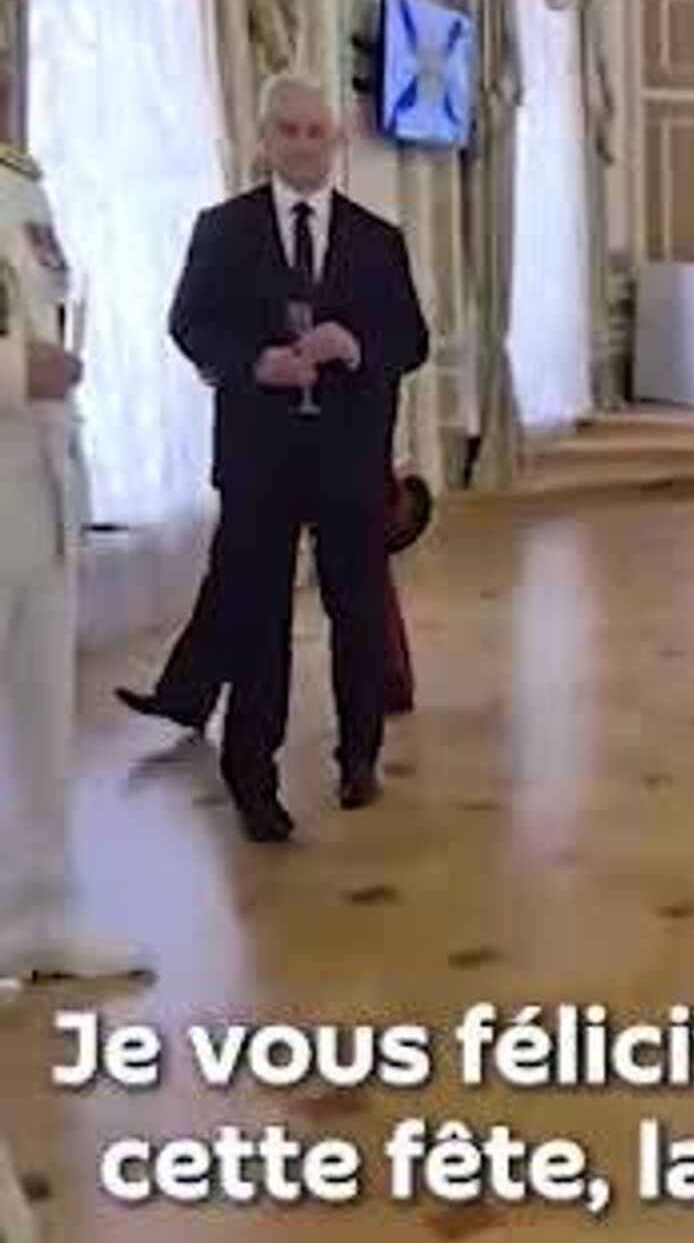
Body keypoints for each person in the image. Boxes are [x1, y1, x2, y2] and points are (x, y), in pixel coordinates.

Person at [166, 74, 428, 843]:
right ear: (265, 138)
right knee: (257, 618)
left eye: (317, 132)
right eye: (289, 130)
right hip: (259, 460)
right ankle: (253, 779)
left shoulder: (379, 240)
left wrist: (356, 345)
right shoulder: (222, 230)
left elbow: (411, 341)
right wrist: (254, 363)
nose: (304, 145)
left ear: (336, 141)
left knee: (357, 615)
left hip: (349, 460)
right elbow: (189, 324)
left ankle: (359, 758)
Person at [0, 141, 148, 982]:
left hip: (41, 491)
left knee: (41, 725)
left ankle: (40, 919)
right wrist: (16, 369)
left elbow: (42, 309)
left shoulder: (21, 183)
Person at [115, 465, 432, 731]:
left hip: (315, 461)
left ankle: (189, 697)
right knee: (233, 579)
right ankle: (187, 696)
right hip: (290, 457)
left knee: (351, 591)